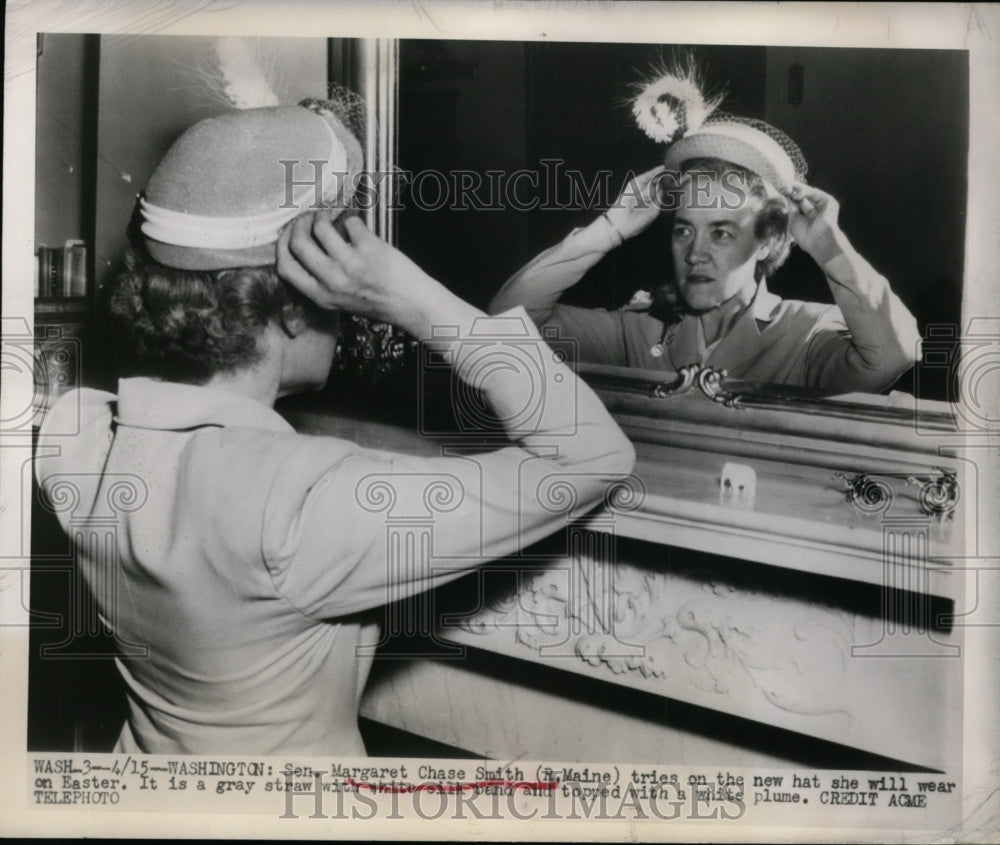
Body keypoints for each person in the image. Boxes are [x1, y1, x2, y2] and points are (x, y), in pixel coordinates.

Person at [34, 98, 635, 756]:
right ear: (293, 308)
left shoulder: (77, 435)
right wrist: (414, 298)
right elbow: (591, 455)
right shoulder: (305, 501)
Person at [489, 75, 922, 393]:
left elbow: (892, 355)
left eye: (721, 233)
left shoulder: (804, 334)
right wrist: (609, 229)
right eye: (683, 231)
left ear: (768, 241)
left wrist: (829, 246)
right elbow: (507, 322)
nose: (694, 253)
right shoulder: (638, 332)